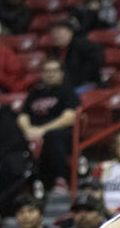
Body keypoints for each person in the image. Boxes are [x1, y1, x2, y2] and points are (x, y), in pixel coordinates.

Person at [19, 59, 79, 189]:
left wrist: (43, 130)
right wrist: (28, 130)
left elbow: (69, 117)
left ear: (61, 73)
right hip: (34, 131)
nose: (50, 74)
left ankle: (61, 179)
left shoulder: (67, 92)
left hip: (59, 132)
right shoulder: (35, 93)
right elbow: (23, 116)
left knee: (53, 136)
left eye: (54, 71)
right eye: (47, 71)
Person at [47, 18, 105, 93]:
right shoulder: (54, 51)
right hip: (66, 87)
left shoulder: (83, 45)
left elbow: (97, 61)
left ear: (70, 32)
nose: (55, 35)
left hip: (86, 84)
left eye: (58, 32)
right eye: (53, 33)